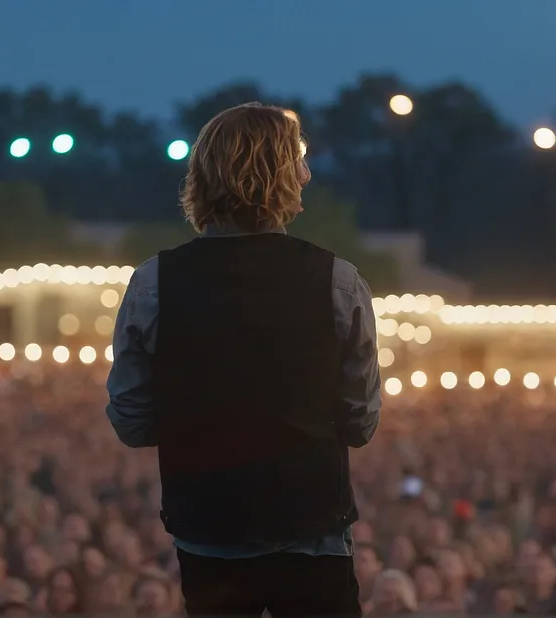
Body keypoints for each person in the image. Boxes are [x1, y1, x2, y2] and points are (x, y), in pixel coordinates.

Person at [107, 102, 381, 616]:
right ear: (271, 173)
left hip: (207, 526)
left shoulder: (153, 284)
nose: (307, 174)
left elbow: (132, 420)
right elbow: (361, 421)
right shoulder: (337, 281)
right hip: (312, 525)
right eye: (297, 161)